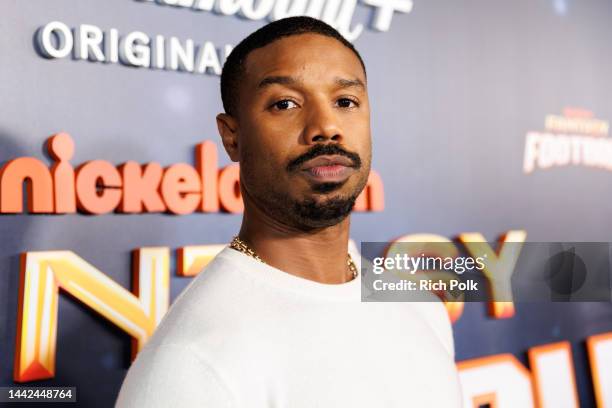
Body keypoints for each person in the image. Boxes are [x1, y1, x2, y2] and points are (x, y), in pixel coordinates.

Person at [116, 16, 462, 407]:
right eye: (285, 104)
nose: (326, 126)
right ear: (232, 136)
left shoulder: (419, 305)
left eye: (345, 102)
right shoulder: (189, 367)